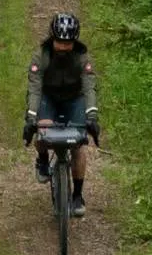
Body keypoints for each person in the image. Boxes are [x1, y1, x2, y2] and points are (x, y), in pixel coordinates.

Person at [22, 13, 99, 203]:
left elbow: (89, 86)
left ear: (74, 41)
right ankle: (42, 159)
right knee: (42, 129)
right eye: (59, 42)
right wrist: (31, 118)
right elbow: (35, 88)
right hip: (49, 97)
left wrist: (92, 116)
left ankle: (77, 195)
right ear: (52, 38)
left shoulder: (82, 57)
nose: (63, 47)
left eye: (68, 43)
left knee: (79, 145)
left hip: (74, 98)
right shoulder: (41, 57)